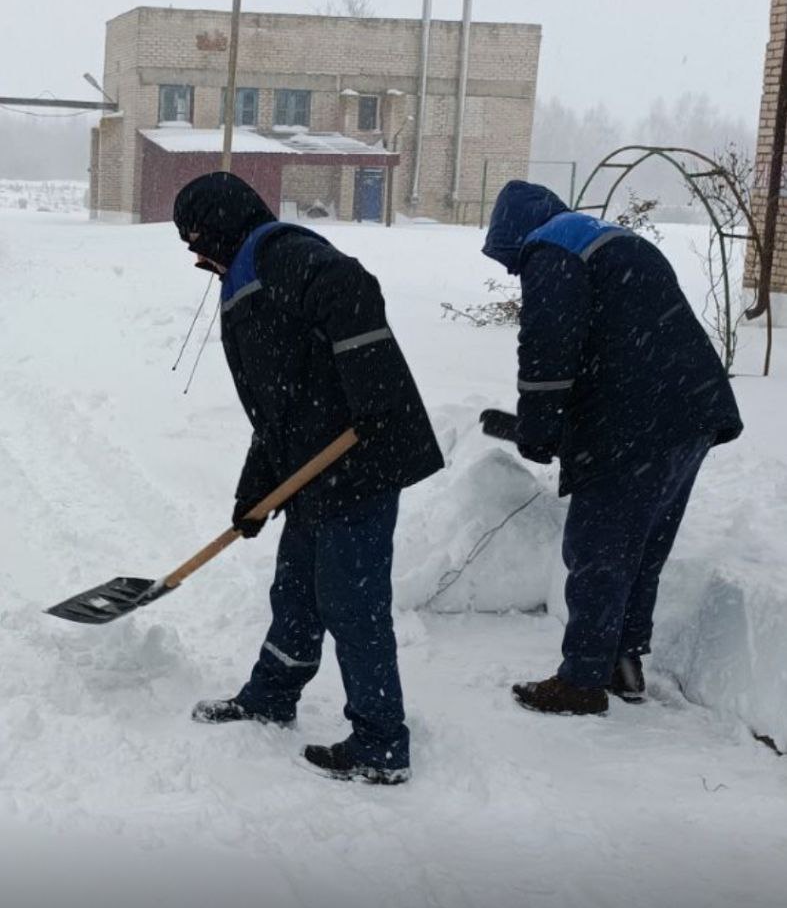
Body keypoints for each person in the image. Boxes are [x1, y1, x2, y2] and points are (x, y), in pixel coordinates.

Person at [173, 172, 443, 782]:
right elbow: (280, 406)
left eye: (194, 240)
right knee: (296, 591)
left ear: (217, 228)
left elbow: (350, 288)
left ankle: (380, 744)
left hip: (359, 462)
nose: (195, 256)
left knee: (352, 604)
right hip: (313, 468)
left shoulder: (281, 253)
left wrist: (373, 388)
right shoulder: (247, 274)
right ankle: (272, 695)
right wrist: (255, 492)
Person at [480, 181, 743, 716]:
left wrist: (539, 427)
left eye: (510, 261)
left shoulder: (552, 247)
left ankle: (580, 681)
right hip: (692, 407)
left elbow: (548, 345)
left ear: (514, 233)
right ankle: (622, 661)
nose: (514, 272)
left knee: (597, 549)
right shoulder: (608, 239)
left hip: (637, 418)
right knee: (640, 545)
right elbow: (624, 336)